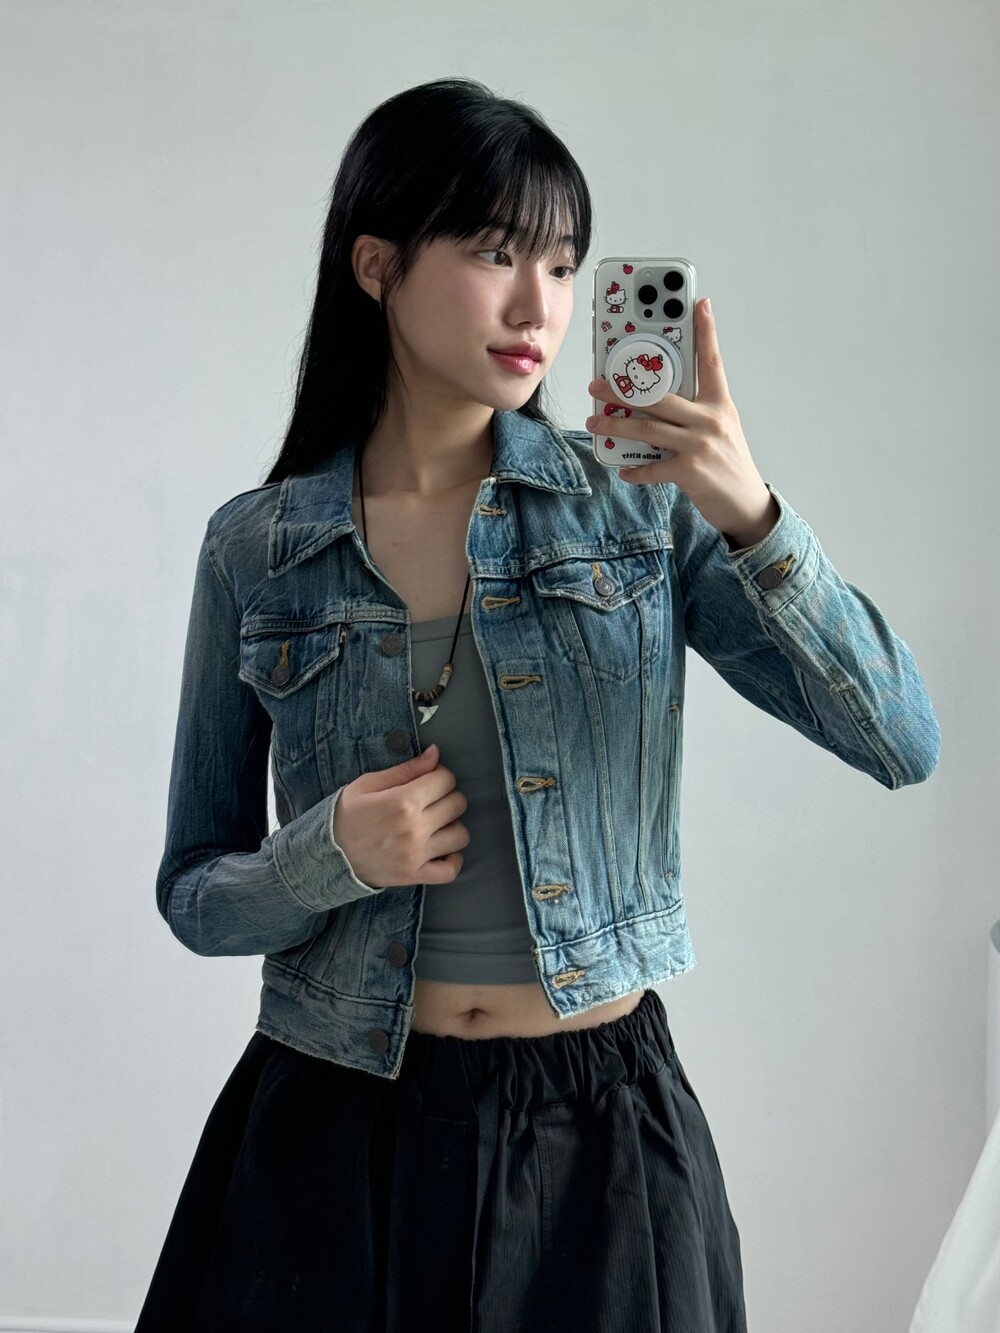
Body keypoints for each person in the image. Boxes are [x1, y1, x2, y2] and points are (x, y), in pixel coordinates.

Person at [134, 77, 940, 1333]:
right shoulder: (258, 548)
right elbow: (195, 891)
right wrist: (327, 854)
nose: (539, 307)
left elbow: (901, 740)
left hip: (598, 1139)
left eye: (562, 266)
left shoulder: (640, 514)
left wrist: (750, 511)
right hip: (334, 1125)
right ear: (375, 264)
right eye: (494, 252)